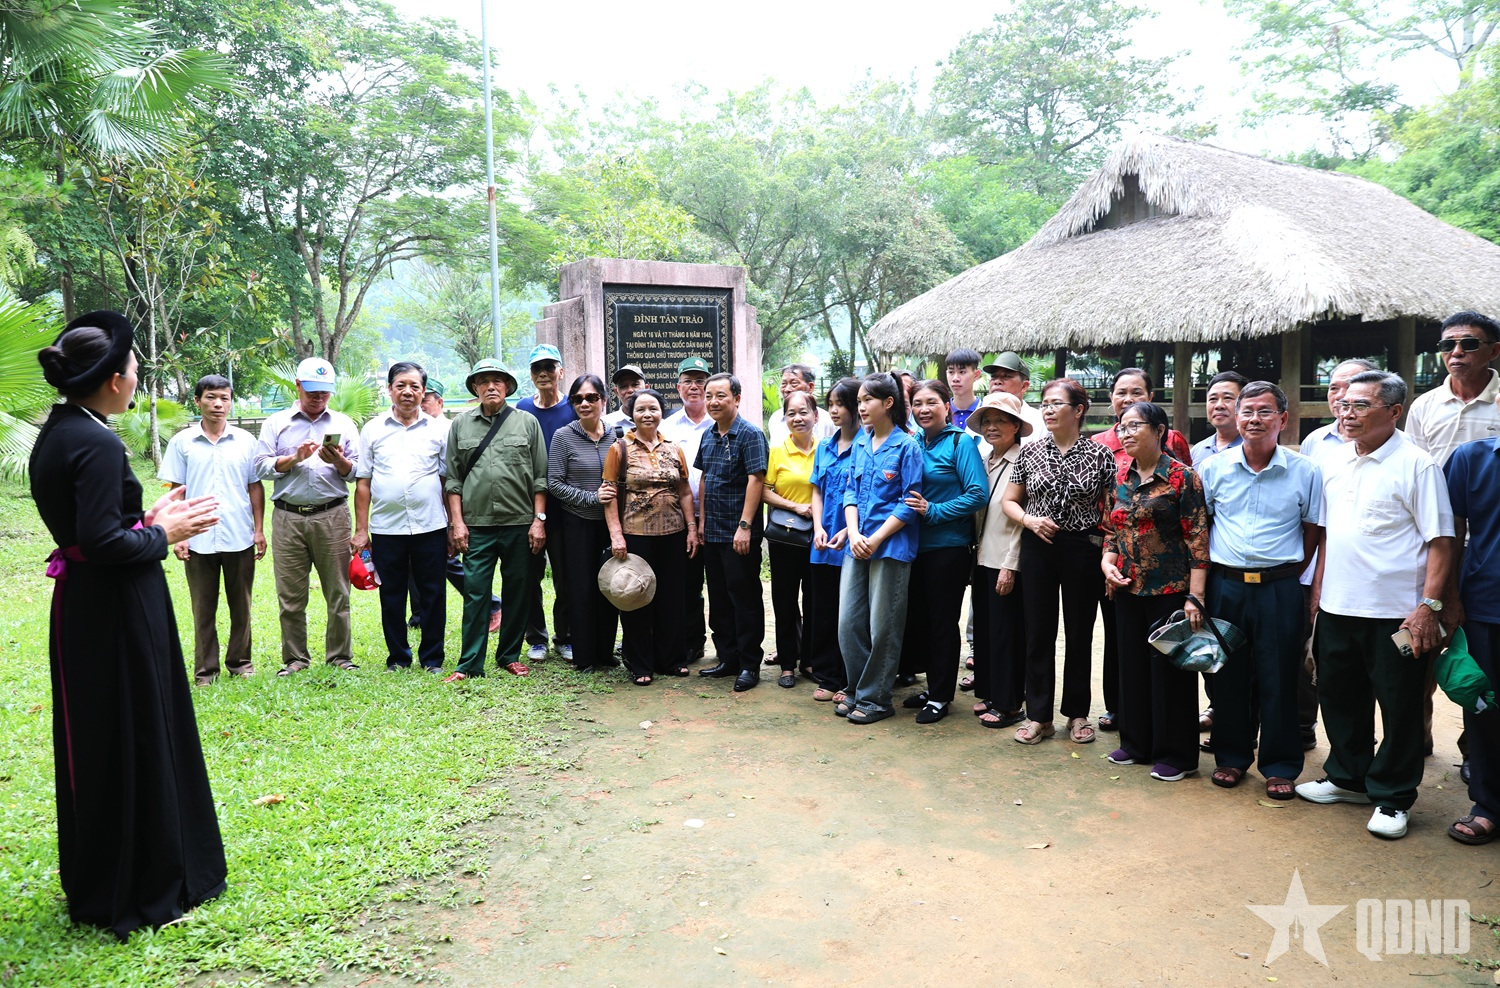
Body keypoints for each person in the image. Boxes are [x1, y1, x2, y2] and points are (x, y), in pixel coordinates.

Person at [31, 310, 226, 938]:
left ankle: (108, 869)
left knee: (107, 733)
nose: (139, 377)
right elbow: (100, 542)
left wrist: (145, 517)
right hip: (115, 608)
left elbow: (95, 530)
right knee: (133, 729)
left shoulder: (63, 428)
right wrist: (162, 534)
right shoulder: (95, 439)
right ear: (114, 381)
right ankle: (141, 877)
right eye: (136, 369)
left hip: (91, 604)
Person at [1302, 371, 1454, 838]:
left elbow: (1442, 542)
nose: (1347, 413)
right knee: (1339, 697)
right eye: (1344, 404)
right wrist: (1317, 595)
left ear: (1393, 412)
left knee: (1401, 706)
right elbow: (1328, 537)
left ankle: (1392, 796)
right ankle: (1348, 777)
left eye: (1361, 405)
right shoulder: (1333, 462)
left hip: (1396, 613)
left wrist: (1429, 606)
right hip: (1338, 607)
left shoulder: (1417, 465)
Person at [1196, 382, 1319, 798]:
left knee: (1280, 675)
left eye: (1264, 412)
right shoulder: (1214, 469)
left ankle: (1280, 764)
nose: (1253, 419)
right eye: (1246, 411)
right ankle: (1231, 757)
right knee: (1228, 675)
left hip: (1279, 589)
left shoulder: (1305, 471)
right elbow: (1203, 526)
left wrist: (1289, 574)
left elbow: (1313, 530)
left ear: (1282, 420)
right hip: (1226, 586)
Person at [1001, 378, 1115, 745]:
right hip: (1038, 546)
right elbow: (1010, 501)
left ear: (1078, 410)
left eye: (1055, 404)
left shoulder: (1100, 455)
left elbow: (1113, 510)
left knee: (1080, 632)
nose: (1047, 409)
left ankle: (1078, 714)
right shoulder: (1030, 452)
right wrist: (1029, 520)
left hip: (1083, 548)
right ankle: (1039, 716)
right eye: (1045, 403)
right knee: (1038, 632)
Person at [1101, 402, 1210, 782]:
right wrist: (1107, 563)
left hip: (1170, 588)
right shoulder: (1120, 476)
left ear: (1160, 430)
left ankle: (1177, 754)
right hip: (1127, 586)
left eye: (1135, 426)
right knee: (1130, 665)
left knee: (1169, 672)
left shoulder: (1183, 478)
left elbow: (1197, 537)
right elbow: (1111, 529)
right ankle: (1136, 743)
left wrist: (1194, 597)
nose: (1125, 433)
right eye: (1121, 426)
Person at [1091, 367, 1193, 730]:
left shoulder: (1176, 454)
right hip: (1120, 564)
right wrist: (1109, 559)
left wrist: (1194, 592)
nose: (1128, 399)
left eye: (1137, 392)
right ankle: (1122, 713)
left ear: (1151, 399)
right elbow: (1108, 515)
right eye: (1121, 392)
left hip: (1167, 574)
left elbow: (1190, 520)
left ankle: (1165, 731)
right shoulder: (1103, 444)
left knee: (1165, 651)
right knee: (1123, 644)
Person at [444, 358, 548, 681]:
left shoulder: (527, 423)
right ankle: (469, 664)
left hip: (520, 524)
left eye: (497, 381)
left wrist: (539, 520)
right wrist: (457, 523)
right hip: (477, 526)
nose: (491, 386)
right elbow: (453, 481)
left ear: (507, 387)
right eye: (484, 381)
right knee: (476, 592)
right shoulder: (460, 425)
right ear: (475, 388)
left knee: (519, 590)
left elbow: (540, 478)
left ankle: (509, 656)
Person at [159, 373, 266, 685]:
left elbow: (254, 486)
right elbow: (176, 491)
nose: (218, 404)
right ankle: (206, 671)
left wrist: (259, 530)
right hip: (198, 539)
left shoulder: (246, 441)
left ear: (231, 403)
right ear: (197, 401)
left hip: (239, 535)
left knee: (241, 606)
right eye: (211, 397)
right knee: (202, 609)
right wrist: (179, 536)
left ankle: (240, 664)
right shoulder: (183, 442)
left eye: (224, 398)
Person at [256, 357, 360, 676]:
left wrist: (339, 461)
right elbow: (260, 467)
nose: (318, 399)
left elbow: (357, 472)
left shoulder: (343, 424)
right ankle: (295, 659)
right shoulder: (276, 423)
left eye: (324, 393)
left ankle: (340, 656)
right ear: (298, 386)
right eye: (312, 392)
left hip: (333, 515)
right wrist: (293, 459)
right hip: (288, 517)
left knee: (338, 592)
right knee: (290, 595)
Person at [898, 379, 987, 724]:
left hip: (948, 549)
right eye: (917, 403)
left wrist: (934, 510)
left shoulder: (960, 443)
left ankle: (940, 697)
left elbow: (978, 494)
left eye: (932, 402)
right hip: (913, 548)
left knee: (941, 623)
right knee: (920, 620)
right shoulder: (911, 442)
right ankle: (933, 686)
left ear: (947, 405)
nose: (924, 409)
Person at [837, 372, 924, 725]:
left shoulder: (907, 446)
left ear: (888, 403)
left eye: (866, 400)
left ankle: (876, 698)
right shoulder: (860, 442)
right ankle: (858, 689)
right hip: (856, 544)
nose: (861, 408)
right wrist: (855, 533)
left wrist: (875, 539)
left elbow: (910, 501)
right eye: (858, 402)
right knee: (848, 623)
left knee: (882, 626)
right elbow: (850, 493)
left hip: (891, 548)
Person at [353, 361, 449, 673]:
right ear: (390, 389)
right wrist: (361, 530)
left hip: (431, 525)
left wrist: (452, 524)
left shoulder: (438, 429)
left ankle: (432, 658)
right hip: (387, 528)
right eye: (400, 386)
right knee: (391, 595)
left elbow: (448, 481)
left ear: (424, 391)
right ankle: (398, 657)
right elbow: (363, 482)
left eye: (415, 387)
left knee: (433, 593)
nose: (407, 392)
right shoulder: (373, 429)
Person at [601, 388, 700, 683]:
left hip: (673, 534)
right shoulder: (619, 448)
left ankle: (672, 659)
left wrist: (691, 528)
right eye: (641, 409)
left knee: (672, 598)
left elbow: (683, 491)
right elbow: (609, 495)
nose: (647, 414)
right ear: (632, 414)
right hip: (635, 535)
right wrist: (616, 535)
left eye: (653, 409)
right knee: (637, 597)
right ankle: (640, 664)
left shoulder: (674, 448)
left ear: (662, 413)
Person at [694, 372, 770, 692]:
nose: (713, 401)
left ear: (736, 399)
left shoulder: (750, 434)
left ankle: (749, 664)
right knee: (720, 597)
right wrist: (700, 522)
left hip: (739, 534)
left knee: (745, 597)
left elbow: (757, 480)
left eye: (720, 395)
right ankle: (727, 658)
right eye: (709, 395)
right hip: (712, 532)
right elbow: (704, 478)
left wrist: (744, 526)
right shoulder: (709, 435)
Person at [409, 378, 502, 635]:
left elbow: (451, 475)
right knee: (412, 564)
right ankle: (417, 614)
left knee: (449, 561)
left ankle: (492, 605)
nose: (423, 403)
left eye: (427, 398)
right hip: (413, 510)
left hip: (444, 509)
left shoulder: (450, 428)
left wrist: (454, 518)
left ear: (439, 401)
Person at [1443, 427, 1500, 843]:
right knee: (1484, 706)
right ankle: (1489, 804)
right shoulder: (1470, 458)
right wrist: (1448, 597)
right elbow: (1450, 534)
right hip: (1486, 600)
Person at [548, 374, 621, 673]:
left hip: (610, 525)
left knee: (610, 587)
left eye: (591, 397)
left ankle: (605, 652)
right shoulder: (563, 436)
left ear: (604, 401)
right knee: (580, 589)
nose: (585, 403)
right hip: (576, 525)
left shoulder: (616, 436)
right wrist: (592, 497)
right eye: (578, 399)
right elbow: (553, 482)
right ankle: (584, 655)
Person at [968, 392, 1031, 728]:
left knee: (1008, 634)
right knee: (988, 632)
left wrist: (1011, 563)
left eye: (1000, 420)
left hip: (1007, 559)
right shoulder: (983, 459)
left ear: (1016, 427)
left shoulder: (1024, 461)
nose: (992, 427)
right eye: (987, 421)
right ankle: (991, 693)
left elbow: (1025, 518)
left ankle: (1009, 704)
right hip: (982, 558)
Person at [516, 343, 576, 663]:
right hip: (528, 506)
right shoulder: (522, 409)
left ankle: (564, 636)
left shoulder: (573, 408)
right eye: (537, 368)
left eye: (550, 367)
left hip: (566, 509)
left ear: (560, 372)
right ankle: (535, 638)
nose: (543, 373)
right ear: (530, 374)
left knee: (566, 577)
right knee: (529, 576)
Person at [808, 378, 861, 702]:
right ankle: (826, 677)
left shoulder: (869, 445)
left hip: (853, 544)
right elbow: (816, 489)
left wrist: (848, 531)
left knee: (851, 615)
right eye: (831, 404)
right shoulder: (825, 447)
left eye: (841, 404)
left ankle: (849, 679)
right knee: (823, 611)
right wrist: (817, 526)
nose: (834, 411)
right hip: (823, 544)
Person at [762, 390, 819, 687]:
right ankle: (787, 664)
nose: (797, 418)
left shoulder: (825, 450)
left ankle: (809, 661)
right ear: (784, 419)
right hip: (784, 537)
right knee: (784, 600)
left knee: (814, 600)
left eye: (803, 412)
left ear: (815, 416)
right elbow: (765, 490)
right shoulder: (777, 452)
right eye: (791, 413)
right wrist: (796, 506)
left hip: (818, 537)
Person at [662, 356, 714, 664]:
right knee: (686, 583)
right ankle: (692, 642)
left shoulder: (722, 423)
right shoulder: (668, 426)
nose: (694, 387)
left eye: (700, 381)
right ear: (678, 387)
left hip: (717, 518)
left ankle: (727, 645)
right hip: (680, 518)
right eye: (688, 381)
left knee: (721, 586)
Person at [1405, 311, 1500, 465]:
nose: (1456, 352)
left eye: (1469, 344)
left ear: (1494, 351)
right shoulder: (1422, 406)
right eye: (1448, 345)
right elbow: (1414, 464)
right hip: (1438, 490)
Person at [767, 363, 836, 444]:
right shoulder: (775, 419)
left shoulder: (828, 421)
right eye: (784, 384)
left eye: (794, 383)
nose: (787, 389)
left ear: (810, 387)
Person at [1190, 370, 1247, 467]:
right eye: (1213, 399)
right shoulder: (1197, 451)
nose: (1219, 405)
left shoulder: (1255, 450)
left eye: (1227, 398)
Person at [982, 351, 1044, 438]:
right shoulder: (978, 418)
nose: (997, 381)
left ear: (1024, 386)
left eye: (1006, 376)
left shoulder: (1040, 422)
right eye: (993, 376)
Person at [945, 348, 984, 431]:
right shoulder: (942, 412)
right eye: (951, 372)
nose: (955, 378)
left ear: (976, 375)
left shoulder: (985, 411)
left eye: (962, 372)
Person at [604, 365, 645, 435]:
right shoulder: (605, 425)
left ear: (646, 389)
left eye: (635, 385)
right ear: (617, 392)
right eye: (623, 386)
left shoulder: (661, 425)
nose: (630, 390)